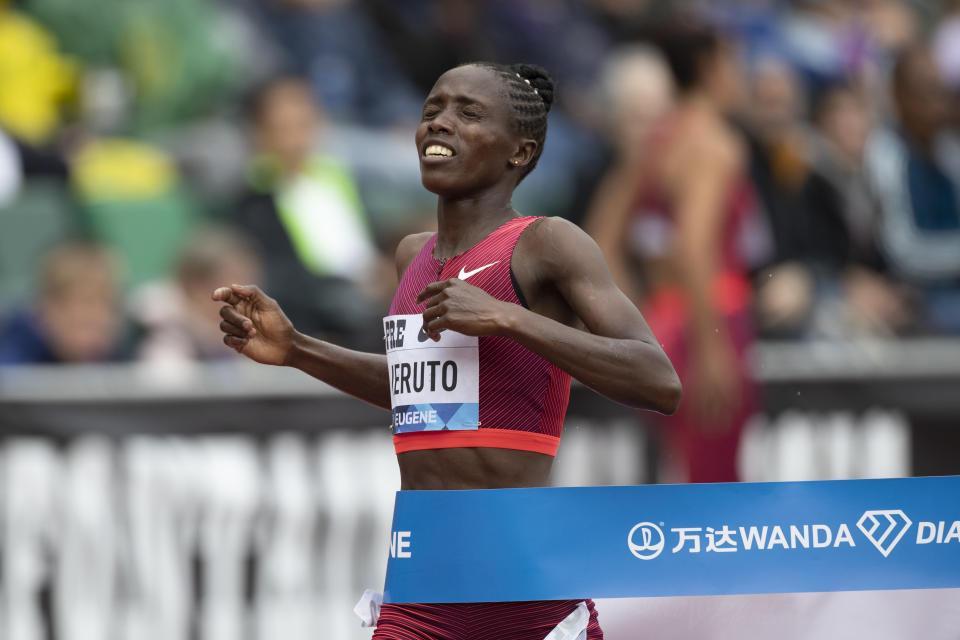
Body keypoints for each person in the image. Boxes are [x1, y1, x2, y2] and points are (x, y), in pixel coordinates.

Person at [213, 62, 680, 640]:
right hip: (423, 581)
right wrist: (299, 350)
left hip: (525, 588)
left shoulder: (547, 244)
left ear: (520, 151)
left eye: (469, 113)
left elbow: (658, 380)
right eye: (433, 108)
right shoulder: (413, 257)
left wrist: (509, 318)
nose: (440, 123)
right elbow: (422, 394)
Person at [587, 21, 759, 483]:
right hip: (712, 321)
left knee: (678, 478)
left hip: (664, 322)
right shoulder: (716, 144)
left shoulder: (657, 141)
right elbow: (694, 248)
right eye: (735, 64)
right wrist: (711, 348)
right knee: (713, 492)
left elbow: (601, 238)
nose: (743, 75)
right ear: (710, 69)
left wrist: (632, 320)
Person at [0, 242, 128, 364]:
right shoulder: (13, 361)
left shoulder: (122, 360)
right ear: (47, 309)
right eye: (82, 324)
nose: (96, 318)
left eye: (106, 307)